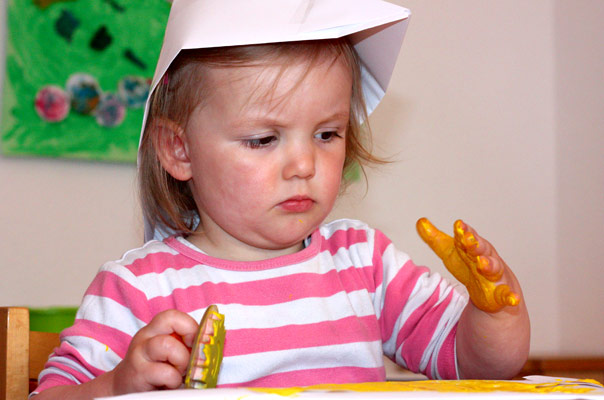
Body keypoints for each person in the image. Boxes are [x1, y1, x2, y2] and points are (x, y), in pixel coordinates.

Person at [32, 1, 529, 398]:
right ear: (178, 150)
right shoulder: (137, 289)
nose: (304, 165)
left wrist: (494, 317)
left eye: (327, 134)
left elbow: (476, 365)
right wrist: (117, 386)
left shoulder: (366, 264)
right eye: (264, 140)